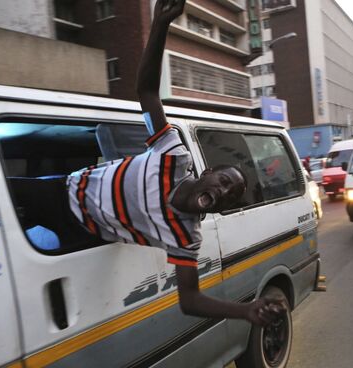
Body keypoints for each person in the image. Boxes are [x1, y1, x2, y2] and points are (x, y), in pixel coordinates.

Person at [66, 0, 283, 326]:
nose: (223, 193)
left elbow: (190, 301)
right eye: (224, 183)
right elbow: (147, 92)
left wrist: (245, 311)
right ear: (207, 173)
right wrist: (160, 25)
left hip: (76, 231)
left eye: (230, 197)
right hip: (60, 190)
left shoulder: (186, 236)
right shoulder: (172, 155)